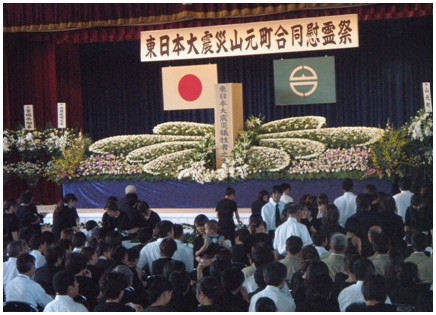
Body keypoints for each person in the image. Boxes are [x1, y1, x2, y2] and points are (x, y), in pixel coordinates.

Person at [345, 193, 381, 257]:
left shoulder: (351, 220)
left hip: (355, 256)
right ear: (370, 205)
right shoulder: (377, 219)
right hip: (374, 254)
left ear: (357, 204)